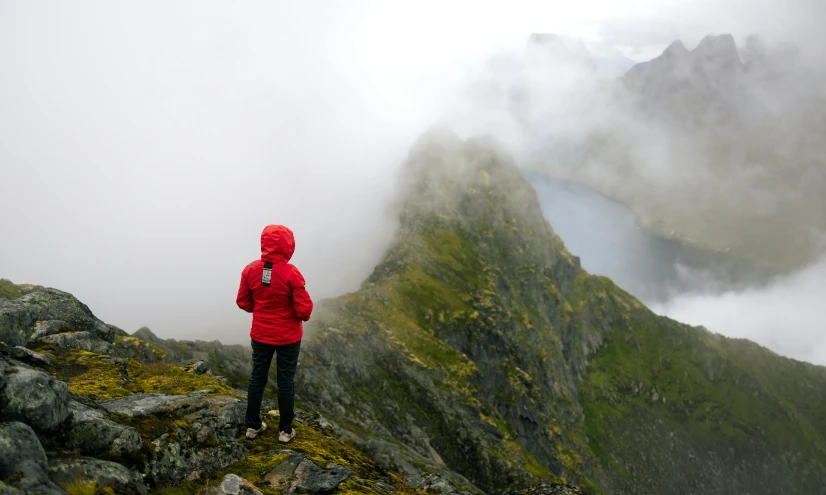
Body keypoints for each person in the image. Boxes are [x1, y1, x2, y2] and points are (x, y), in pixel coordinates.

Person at [236, 224, 313, 443]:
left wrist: (261, 309)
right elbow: (304, 311)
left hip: (261, 334)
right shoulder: (291, 273)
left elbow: (243, 301)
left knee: (257, 377)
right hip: (288, 337)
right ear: (289, 245)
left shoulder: (250, 269)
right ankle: (285, 431)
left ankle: (252, 426)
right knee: (285, 381)